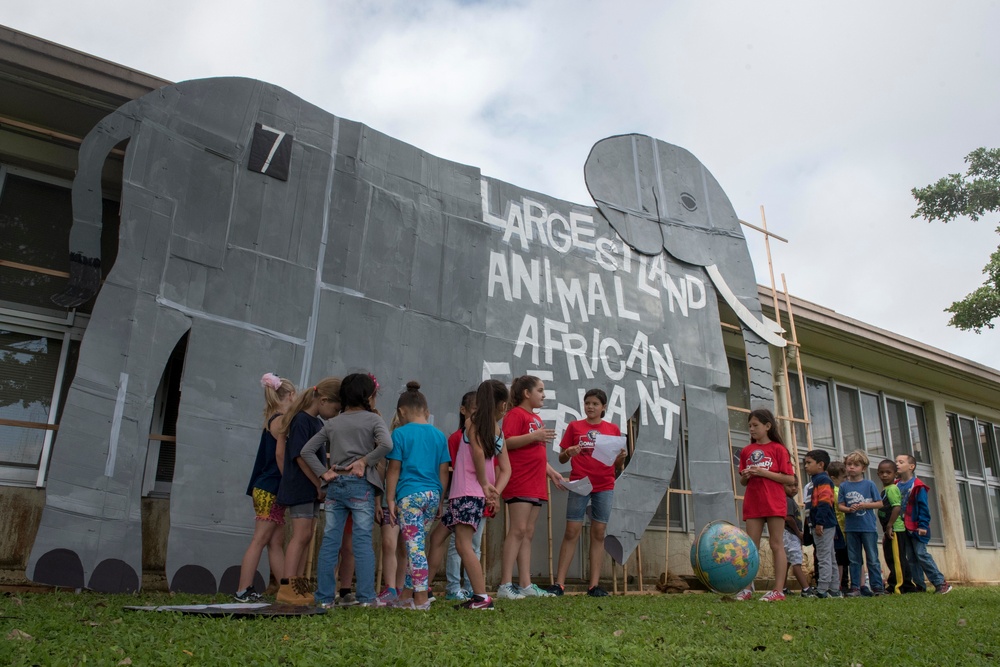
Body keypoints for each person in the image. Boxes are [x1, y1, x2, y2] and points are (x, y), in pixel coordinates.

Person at [302, 372, 392, 607]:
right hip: (360, 484)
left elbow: (307, 451)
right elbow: (387, 445)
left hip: (335, 484)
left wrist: (324, 473)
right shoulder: (374, 420)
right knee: (362, 541)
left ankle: (323, 598)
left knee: (331, 540)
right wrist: (365, 461)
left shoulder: (332, 423)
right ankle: (365, 598)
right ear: (368, 396)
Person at [423, 379, 512, 610]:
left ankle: (481, 598)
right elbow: (506, 469)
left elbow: (479, 451)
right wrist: (494, 492)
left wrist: (486, 486)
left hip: (467, 494)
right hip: (466, 495)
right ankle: (424, 589)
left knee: (463, 545)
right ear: (502, 405)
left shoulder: (473, 423)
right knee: (437, 538)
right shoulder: (495, 429)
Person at [548, 388, 624, 598]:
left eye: (595, 404)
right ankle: (559, 584)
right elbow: (563, 458)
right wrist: (568, 452)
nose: (590, 407)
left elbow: (617, 464)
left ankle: (593, 586)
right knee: (571, 530)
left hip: (605, 485)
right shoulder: (574, 426)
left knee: (598, 533)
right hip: (580, 484)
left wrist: (622, 457)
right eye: (587, 403)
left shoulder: (612, 429)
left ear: (604, 407)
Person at [274, 377, 342, 605]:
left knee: (307, 535)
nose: (335, 413)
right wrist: (317, 482)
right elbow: (301, 455)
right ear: (323, 400)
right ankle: (287, 585)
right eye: (335, 408)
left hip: (312, 488)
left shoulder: (317, 423)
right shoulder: (302, 420)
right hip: (301, 486)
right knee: (300, 535)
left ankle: (299, 583)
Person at [497, 375, 565, 600]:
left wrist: (551, 471)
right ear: (526, 393)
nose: (543, 395)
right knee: (517, 530)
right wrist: (534, 435)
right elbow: (505, 442)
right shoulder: (515, 414)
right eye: (540, 390)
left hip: (536, 482)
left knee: (527, 532)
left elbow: (536, 451)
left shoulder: (535, 418)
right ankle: (505, 584)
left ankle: (526, 583)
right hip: (520, 481)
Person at [385, 381, 450, 611]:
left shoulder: (399, 434)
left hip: (409, 496)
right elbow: (443, 471)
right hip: (433, 495)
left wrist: (390, 499)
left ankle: (420, 599)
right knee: (417, 546)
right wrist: (440, 499)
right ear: (427, 411)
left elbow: (393, 469)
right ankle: (405, 596)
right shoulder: (439, 436)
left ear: (401, 412)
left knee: (414, 547)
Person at [234, 373, 296, 602]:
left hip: (268, 487)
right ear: (290, 395)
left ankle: (285, 590)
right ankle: (243, 588)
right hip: (270, 488)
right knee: (260, 539)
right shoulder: (280, 420)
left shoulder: (272, 417)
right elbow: (281, 455)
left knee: (275, 542)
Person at [736, 408, 795, 602]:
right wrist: (746, 476)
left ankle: (778, 590)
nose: (751, 429)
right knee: (750, 546)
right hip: (753, 503)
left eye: (755, 425)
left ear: (767, 426)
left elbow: (789, 478)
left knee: (776, 544)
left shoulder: (779, 449)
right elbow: (744, 482)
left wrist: (763, 472)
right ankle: (746, 588)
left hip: (774, 502)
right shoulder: (746, 451)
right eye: (749, 426)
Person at [895, 454, 953, 594]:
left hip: (917, 527)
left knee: (921, 554)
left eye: (901, 462)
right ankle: (920, 586)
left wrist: (923, 525)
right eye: (896, 461)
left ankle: (940, 583)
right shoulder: (895, 484)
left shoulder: (918, 486)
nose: (897, 464)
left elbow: (923, 507)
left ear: (911, 466)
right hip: (903, 527)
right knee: (912, 557)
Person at [444, 391, 482, 602]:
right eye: (474, 410)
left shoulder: (486, 435)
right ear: (463, 410)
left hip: (478, 498)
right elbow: (450, 467)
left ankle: (472, 587)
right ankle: (453, 586)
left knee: (473, 546)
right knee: (456, 545)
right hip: (458, 496)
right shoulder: (456, 438)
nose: (478, 415)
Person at [372, 410, 408, 607]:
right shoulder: (388, 446)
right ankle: (390, 587)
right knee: (388, 543)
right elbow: (380, 473)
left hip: (408, 501)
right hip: (388, 501)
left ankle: (400, 587)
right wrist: (378, 502)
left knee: (404, 547)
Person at [837, 450, 884, 596]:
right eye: (849, 464)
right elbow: (840, 506)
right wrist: (849, 509)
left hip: (868, 527)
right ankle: (855, 586)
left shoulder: (869, 484)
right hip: (851, 528)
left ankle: (877, 587)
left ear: (863, 468)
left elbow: (879, 503)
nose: (851, 467)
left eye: (855, 465)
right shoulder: (844, 486)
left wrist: (864, 505)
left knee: (872, 558)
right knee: (854, 559)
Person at [803, 450, 839, 598]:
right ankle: (834, 589)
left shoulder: (823, 480)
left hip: (823, 524)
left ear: (821, 464)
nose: (805, 466)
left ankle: (822, 590)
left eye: (809, 463)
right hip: (820, 523)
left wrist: (819, 523)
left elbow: (825, 503)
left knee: (823, 557)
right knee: (830, 556)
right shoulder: (815, 481)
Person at [876, 459, 906, 595]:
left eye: (888, 472)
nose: (885, 475)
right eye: (881, 472)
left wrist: (890, 525)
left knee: (896, 559)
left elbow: (897, 507)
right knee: (890, 558)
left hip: (895, 529)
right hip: (888, 529)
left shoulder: (893, 489)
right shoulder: (885, 489)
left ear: (895, 474)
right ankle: (901, 584)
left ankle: (898, 586)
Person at [782, 476, 814, 597]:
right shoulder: (788, 500)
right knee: (796, 561)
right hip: (790, 534)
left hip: (788, 534)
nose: (794, 488)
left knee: (787, 562)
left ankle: (783, 587)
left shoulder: (790, 500)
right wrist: (798, 532)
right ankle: (806, 588)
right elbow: (788, 517)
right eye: (790, 486)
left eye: (796, 485)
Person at [827, 460, 850, 592]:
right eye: (844, 477)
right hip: (838, 529)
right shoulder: (835, 490)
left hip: (842, 528)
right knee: (839, 559)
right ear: (833, 478)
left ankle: (839, 583)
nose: (846, 480)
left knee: (840, 558)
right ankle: (838, 584)